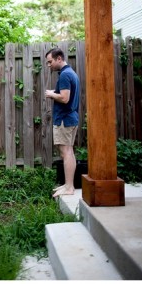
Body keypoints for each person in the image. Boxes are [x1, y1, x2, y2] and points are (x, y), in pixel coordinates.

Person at [45, 47, 80, 197]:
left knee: (66, 153)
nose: (49, 65)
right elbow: (67, 95)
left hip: (65, 120)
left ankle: (69, 187)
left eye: (50, 61)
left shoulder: (65, 75)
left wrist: (51, 94)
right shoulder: (70, 73)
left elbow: (65, 98)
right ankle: (67, 184)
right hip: (71, 118)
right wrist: (55, 92)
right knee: (69, 152)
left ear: (59, 58)